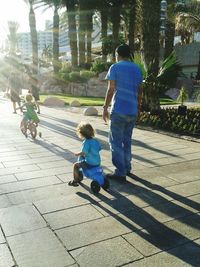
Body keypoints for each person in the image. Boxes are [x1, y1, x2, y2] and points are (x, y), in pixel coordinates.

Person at [103, 44, 143, 182]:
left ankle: (120, 172)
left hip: (119, 110)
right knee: (127, 141)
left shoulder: (115, 67)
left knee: (115, 142)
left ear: (117, 54)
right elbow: (139, 90)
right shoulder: (136, 68)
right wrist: (138, 107)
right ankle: (127, 167)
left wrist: (104, 108)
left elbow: (111, 89)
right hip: (132, 111)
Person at [68, 122, 101, 187]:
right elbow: (99, 148)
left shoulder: (86, 142)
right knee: (83, 160)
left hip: (89, 163)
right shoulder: (95, 141)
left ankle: (75, 180)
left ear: (81, 134)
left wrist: (77, 154)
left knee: (76, 165)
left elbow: (84, 152)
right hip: (97, 162)